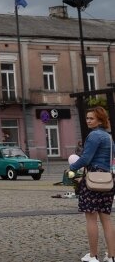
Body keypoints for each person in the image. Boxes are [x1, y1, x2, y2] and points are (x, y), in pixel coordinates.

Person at [69, 107, 115, 262]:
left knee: (91, 218)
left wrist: (72, 167)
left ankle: (93, 256)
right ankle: (111, 256)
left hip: (93, 180)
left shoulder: (93, 135)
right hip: (108, 180)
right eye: (87, 118)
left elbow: (86, 158)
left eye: (91, 118)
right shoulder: (109, 137)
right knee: (106, 219)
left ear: (100, 120)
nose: (88, 120)